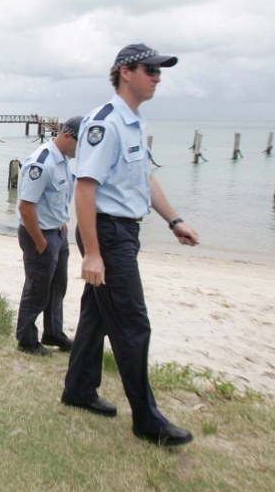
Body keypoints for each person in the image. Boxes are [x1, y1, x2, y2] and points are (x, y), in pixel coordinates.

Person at [61, 43, 200, 447]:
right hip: (107, 233)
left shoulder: (133, 122)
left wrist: (174, 221)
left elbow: (144, 179)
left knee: (97, 317)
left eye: (160, 72)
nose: (157, 77)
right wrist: (92, 252)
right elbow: (85, 189)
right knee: (133, 326)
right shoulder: (105, 123)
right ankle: (147, 419)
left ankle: (78, 390)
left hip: (123, 231)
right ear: (126, 72)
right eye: (150, 70)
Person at [15, 116, 82, 356]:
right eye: (80, 142)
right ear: (67, 135)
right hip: (39, 235)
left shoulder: (64, 160)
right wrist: (41, 241)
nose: (82, 149)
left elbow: (57, 196)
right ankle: (26, 339)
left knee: (57, 287)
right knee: (38, 288)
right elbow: (26, 206)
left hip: (57, 232)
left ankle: (53, 332)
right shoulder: (42, 162)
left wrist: (61, 223)